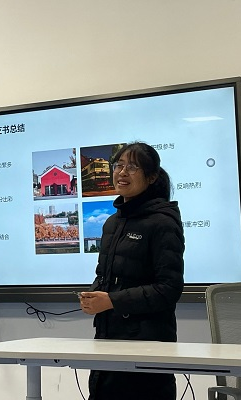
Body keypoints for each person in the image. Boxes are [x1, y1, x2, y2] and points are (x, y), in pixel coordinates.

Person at [79, 142, 185, 400]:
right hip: (108, 339)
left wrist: (112, 301)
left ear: (151, 177)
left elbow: (169, 289)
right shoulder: (112, 222)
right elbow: (105, 275)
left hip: (147, 347)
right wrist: (94, 294)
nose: (122, 172)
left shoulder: (162, 222)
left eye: (133, 167)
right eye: (119, 165)